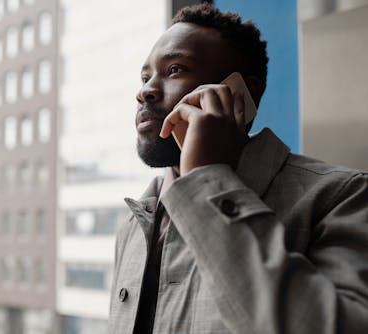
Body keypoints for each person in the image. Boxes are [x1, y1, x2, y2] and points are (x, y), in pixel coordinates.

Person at [108, 3, 368, 334]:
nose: (145, 91)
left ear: (243, 94)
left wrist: (208, 180)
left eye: (175, 69)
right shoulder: (133, 225)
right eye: (146, 77)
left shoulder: (340, 197)